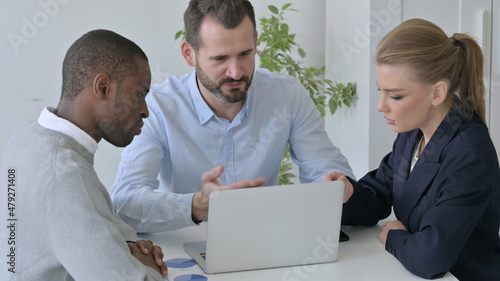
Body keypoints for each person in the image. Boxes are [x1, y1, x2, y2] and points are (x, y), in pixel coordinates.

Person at [110, 0, 354, 233]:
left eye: (245, 54)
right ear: (189, 54)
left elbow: (330, 172)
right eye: (220, 58)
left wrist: (334, 185)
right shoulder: (159, 107)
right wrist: (197, 205)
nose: (236, 72)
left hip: (266, 239)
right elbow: (124, 203)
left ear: (256, 42)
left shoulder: (286, 95)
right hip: (184, 250)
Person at [324, 18, 500, 280]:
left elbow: (432, 257)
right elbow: (379, 193)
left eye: (395, 95)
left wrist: (394, 235)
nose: (381, 106)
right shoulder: (413, 133)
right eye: (381, 91)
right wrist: (349, 193)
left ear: (437, 93)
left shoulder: (469, 154)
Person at [0, 30, 169, 280]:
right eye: (139, 95)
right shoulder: (66, 176)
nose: (145, 111)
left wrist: (129, 244)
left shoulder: (26, 136)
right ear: (103, 87)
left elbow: (94, 211)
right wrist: (149, 269)